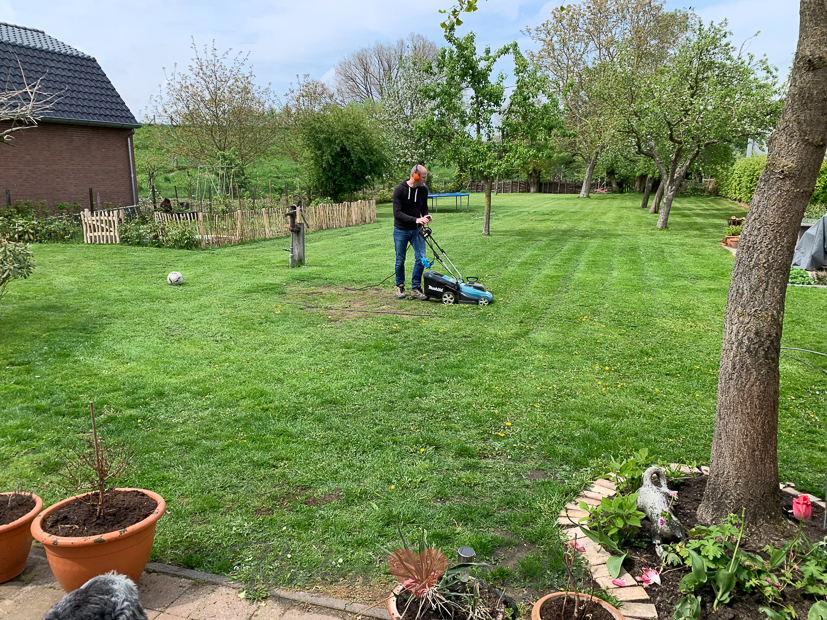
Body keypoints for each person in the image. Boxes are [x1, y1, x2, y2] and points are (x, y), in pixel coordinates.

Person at [392, 164, 432, 299]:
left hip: (417, 230)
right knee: (400, 259)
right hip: (400, 230)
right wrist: (416, 219)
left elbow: (424, 206)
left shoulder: (423, 190)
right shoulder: (399, 190)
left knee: (421, 258)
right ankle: (400, 286)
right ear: (415, 176)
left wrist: (425, 216)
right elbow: (397, 213)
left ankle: (415, 288)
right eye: (424, 177)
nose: (425, 180)